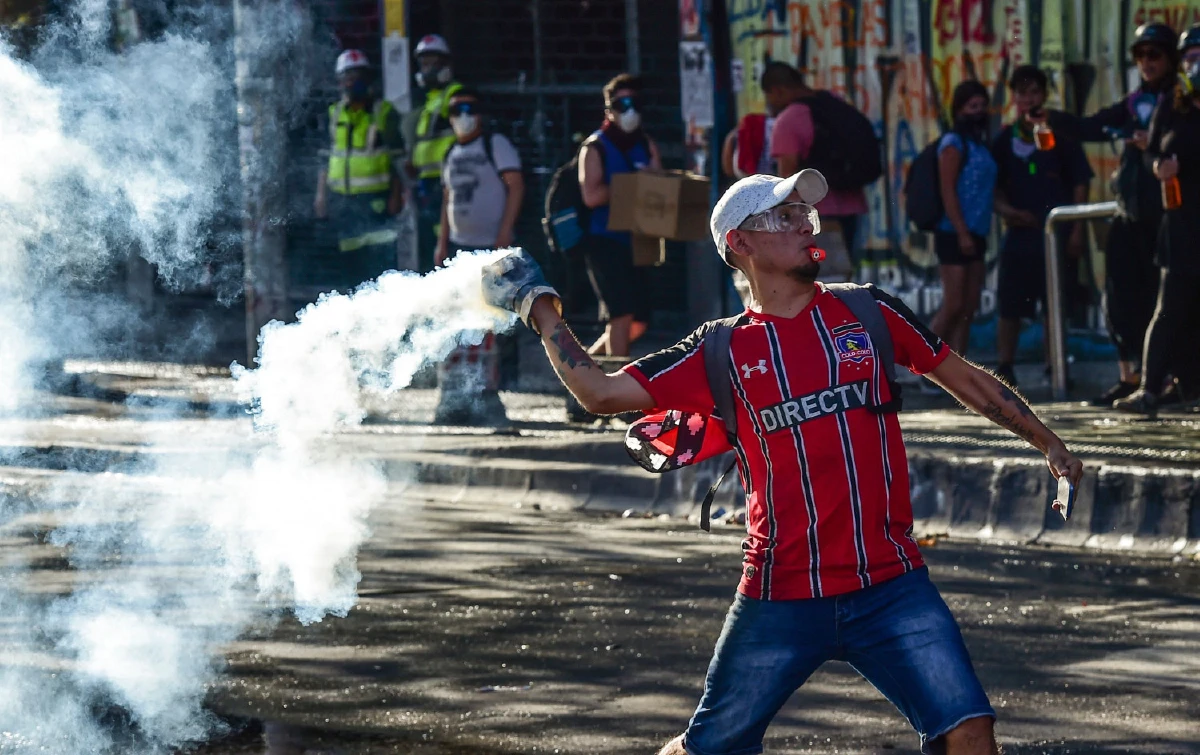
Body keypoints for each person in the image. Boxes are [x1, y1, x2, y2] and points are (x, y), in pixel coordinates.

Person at [481, 170, 1083, 755]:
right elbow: (599, 392)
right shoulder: (718, 348)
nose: (805, 225)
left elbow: (966, 379)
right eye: (785, 216)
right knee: (710, 747)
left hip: (891, 584)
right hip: (779, 593)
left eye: (805, 213)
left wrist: (1047, 442)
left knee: (969, 731)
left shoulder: (869, 312)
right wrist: (541, 307)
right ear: (740, 244)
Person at [1077, 22, 1179, 406]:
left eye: (1155, 55)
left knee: (1163, 304)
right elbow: (1094, 125)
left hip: (1166, 218)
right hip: (1131, 214)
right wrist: (1051, 120)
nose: (1146, 62)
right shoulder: (1135, 102)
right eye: (1140, 56)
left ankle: (1167, 380)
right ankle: (1130, 376)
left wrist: (1151, 145)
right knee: (1119, 301)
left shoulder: (1180, 102)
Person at [991, 66, 1093, 388]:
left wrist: (1076, 230)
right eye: (1022, 94)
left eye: (1034, 93)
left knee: (1055, 304)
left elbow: (1080, 182)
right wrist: (1009, 211)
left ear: (1044, 95)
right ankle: (1005, 367)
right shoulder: (1004, 140)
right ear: (1014, 98)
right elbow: (993, 189)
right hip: (1019, 235)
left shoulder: (1060, 135)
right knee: (1010, 305)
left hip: (1055, 236)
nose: (1029, 100)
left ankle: (1055, 366)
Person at [430, 89, 524, 425]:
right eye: (456, 110)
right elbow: (447, 199)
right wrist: (442, 242)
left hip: (490, 247)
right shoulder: (451, 152)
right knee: (459, 321)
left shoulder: (495, 144)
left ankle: (488, 392)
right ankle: (456, 395)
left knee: (489, 321)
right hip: (460, 248)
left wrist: (505, 232)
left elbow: (516, 185)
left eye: (469, 108)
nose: (463, 115)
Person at [1114, 50, 1200, 416]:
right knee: (1168, 309)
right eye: (1190, 58)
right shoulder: (1173, 106)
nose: (1195, 66)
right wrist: (1158, 167)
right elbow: (1150, 152)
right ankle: (1149, 389)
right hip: (1180, 225)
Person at [578, 72, 662, 357]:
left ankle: (586, 367)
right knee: (621, 315)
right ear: (609, 110)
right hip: (604, 239)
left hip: (638, 239)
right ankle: (617, 381)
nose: (629, 111)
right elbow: (591, 196)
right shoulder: (595, 147)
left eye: (634, 104)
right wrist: (631, 184)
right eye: (621, 104)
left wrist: (653, 180)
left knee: (638, 321)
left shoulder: (645, 143)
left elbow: (661, 185)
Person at [314, 49, 405, 289]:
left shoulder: (384, 112)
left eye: (359, 76)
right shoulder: (333, 114)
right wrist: (321, 196)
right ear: (339, 81)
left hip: (377, 201)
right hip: (344, 203)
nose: (353, 82)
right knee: (351, 269)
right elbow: (325, 157)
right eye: (348, 77)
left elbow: (398, 159)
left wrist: (397, 195)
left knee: (381, 268)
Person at [765, 62, 868, 255]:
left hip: (817, 215)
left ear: (777, 91)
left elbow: (787, 180)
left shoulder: (788, 120)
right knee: (847, 269)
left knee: (820, 270)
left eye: (769, 97)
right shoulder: (835, 103)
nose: (769, 103)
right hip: (855, 206)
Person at [928, 80, 997, 357]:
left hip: (978, 231)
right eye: (972, 106)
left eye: (982, 106)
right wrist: (961, 232)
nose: (978, 112)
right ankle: (923, 362)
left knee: (968, 307)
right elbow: (948, 189)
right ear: (958, 110)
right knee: (954, 304)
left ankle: (959, 366)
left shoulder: (980, 146)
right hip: (953, 232)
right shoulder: (953, 144)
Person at [407, 34, 464, 273]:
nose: (428, 69)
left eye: (433, 62)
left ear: (445, 64)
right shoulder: (429, 101)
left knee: (446, 241)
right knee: (430, 241)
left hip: (448, 180)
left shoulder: (455, 95)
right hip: (427, 182)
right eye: (424, 63)